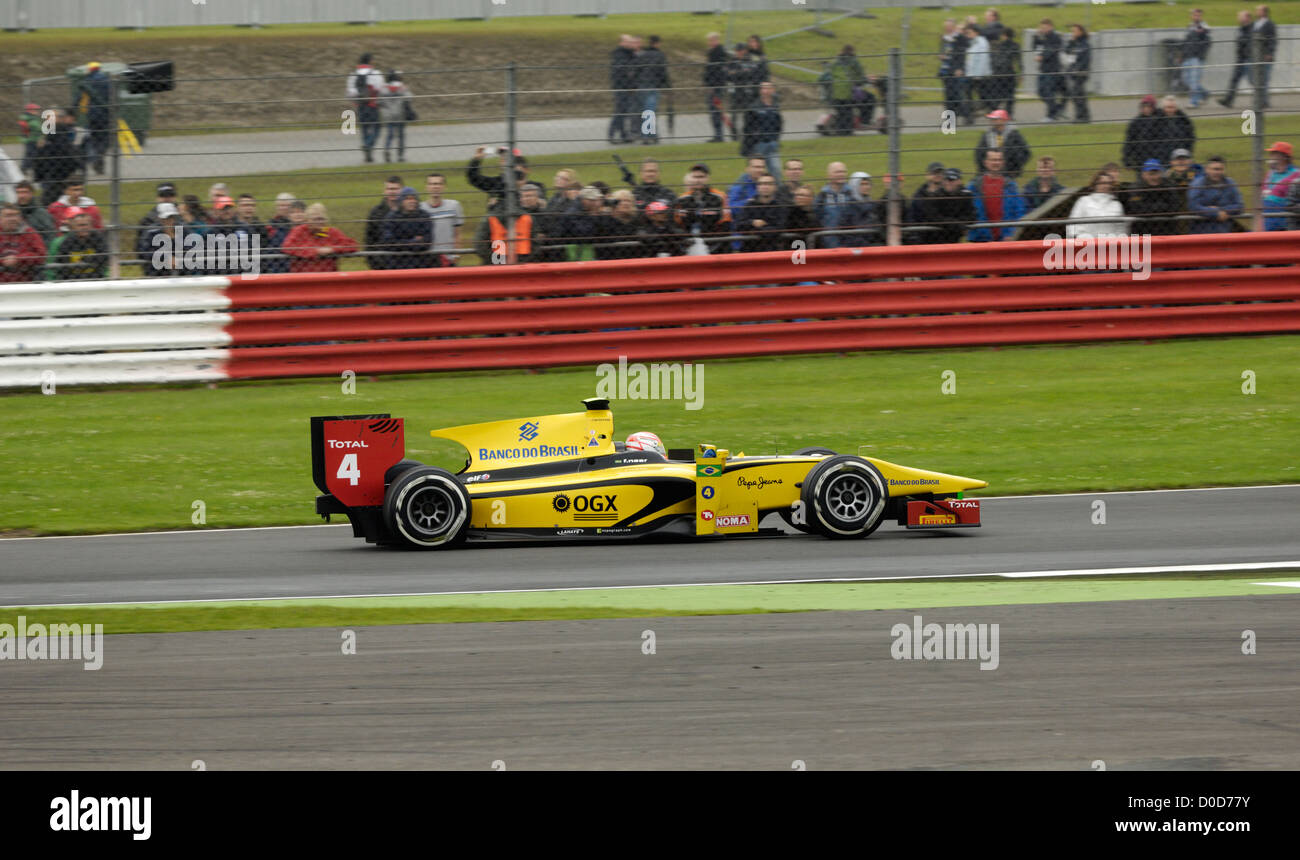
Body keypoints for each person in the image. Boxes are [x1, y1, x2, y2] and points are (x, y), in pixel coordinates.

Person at [966, 150, 1026, 242]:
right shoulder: (974, 186)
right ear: (985, 162)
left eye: (999, 160)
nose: (996, 163)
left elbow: (1018, 211)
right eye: (993, 160)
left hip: (1005, 240)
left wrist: (1011, 233)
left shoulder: (1011, 186)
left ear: (1003, 162)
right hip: (980, 239)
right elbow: (967, 212)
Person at [475, 183, 542, 264]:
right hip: (522, 260)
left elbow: (480, 244)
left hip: (497, 260)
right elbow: (536, 243)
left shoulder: (490, 217)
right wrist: (524, 261)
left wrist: (494, 261)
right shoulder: (527, 217)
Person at [281, 203, 358, 272]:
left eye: (322, 219)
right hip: (303, 276)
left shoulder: (329, 231)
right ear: (308, 221)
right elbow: (287, 247)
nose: (320, 222)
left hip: (327, 276)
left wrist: (332, 249)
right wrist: (315, 251)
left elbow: (352, 245)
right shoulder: (299, 231)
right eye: (316, 219)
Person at [674, 164, 731, 254]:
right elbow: (677, 224)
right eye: (695, 177)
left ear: (708, 178)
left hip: (714, 243)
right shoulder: (682, 199)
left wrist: (713, 246)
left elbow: (726, 224)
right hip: (688, 243)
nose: (698, 180)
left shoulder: (720, 197)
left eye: (701, 177)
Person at [1122, 159, 1184, 236]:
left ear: (1161, 173)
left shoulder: (1168, 185)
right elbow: (1137, 210)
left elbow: (1176, 207)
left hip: (1166, 231)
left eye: (1157, 173)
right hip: (1142, 231)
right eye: (1151, 174)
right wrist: (1162, 207)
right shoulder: (1136, 188)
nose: (1155, 177)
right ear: (1143, 175)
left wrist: (1150, 209)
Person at [32, 110, 82, 207]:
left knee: (49, 202)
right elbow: (73, 157)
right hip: (62, 175)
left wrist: (38, 176)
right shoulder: (63, 133)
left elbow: (38, 158)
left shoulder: (49, 136)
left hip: (50, 176)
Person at [381, 186, 436, 269]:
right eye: (407, 199)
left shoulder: (424, 216)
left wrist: (401, 243)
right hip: (397, 264)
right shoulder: (392, 217)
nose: (411, 201)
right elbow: (388, 243)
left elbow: (428, 241)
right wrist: (413, 241)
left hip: (421, 264)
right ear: (401, 201)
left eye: (414, 198)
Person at [1187, 155, 1243, 233]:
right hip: (1201, 232)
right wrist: (1215, 214)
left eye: (1220, 169)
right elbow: (1193, 206)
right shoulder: (1197, 184)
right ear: (1206, 170)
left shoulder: (1230, 183)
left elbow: (1239, 206)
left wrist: (1220, 210)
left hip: (1224, 230)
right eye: (1214, 169)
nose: (1217, 172)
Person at [346, 53, 385, 163]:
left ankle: (367, 153)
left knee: (364, 129)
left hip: (360, 106)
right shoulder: (376, 73)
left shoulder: (353, 75)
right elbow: (380, 89)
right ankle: (369, 145)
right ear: (370, 61)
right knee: (377, 128)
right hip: (373, 105)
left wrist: (355, 102)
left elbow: (350, 92)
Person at [1066, 169, 1126, 239]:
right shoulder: (1083, 201)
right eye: (1102, 183)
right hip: (1086, 244)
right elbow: (1072, 223)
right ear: (1095, 184)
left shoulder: (1116, 205)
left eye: (1108, 183)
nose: (1106, 186)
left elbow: (1121, 228)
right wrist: (1080, 238)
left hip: (1110, 245)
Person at [49, 208, 107, 280]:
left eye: (86, 225)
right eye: (80, 225)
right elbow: (60, 264)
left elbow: (105, 256)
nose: (84, 228)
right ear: (74, 227)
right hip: (73, 280)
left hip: (95, 279)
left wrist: (85, 260)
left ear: (91, 226)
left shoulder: (97, 238)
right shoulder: (67, 241)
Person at [735, 174, 788, 253]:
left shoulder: (780, 207)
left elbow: (780, 228)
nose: (765, 187)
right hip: (749, 252)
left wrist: (754, 230)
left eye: (769, 184)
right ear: (757, 187)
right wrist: (752, 222)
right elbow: (738, 226)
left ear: (775, 187)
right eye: (762, 184)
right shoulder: (749, 205)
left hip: (773, 252)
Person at [76, 61, 111, 175]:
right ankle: (99, 157)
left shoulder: (87, 81)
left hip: (92, 115)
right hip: (105, 114)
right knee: (104, 138)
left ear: (90, 69)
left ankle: (95, 157)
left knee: (93, 138)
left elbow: (79, 97)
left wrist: (73, 108)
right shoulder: (107, 80)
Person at [729, 43, 767, 148]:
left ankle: (747, 133)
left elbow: (750, 73)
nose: (738, 53)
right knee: (734, 115)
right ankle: (734, 134)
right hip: (735, 92)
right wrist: (740, 73)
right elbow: (728, 74)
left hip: (746, 92)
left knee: (748, 114)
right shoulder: (732, 60)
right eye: (736, 51)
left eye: (739, 51)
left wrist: (737, 73)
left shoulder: (748, 60)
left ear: (743, 51)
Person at [422, 173, 464, 265]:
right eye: (432, 184)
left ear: (444, 187)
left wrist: (456, 255)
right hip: (427, 260)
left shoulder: (454, 206)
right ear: (426, 187)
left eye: (438, 184)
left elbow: (457, 234)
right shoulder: (421, 209)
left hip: (448, 259)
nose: (435, 187)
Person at [974, 109, 1029, 179]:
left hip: (1009, 171)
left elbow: (1024, 153)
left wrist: (1016, 167)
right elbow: (979, 153)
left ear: (1003, 120)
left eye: (995, 119)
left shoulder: (1014, 135)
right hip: (988, 170)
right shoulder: (987, 135)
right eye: (992, 119)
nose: (992, 121)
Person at [744, 82, 783, 180]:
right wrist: (754, 138)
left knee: (776, 169)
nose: (765, 91)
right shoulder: (754, 107)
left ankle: (777, 191)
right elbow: (748, 127)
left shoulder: (775, 106)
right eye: (763, 88)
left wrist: (776, 138)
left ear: (772, 90)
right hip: (759, 144)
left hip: (772, 144)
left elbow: (779, 123)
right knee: (756, 172)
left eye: (768, 88)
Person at [635, 35, 670, 145]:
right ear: (657, 43)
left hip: (641, 85)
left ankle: (652, 134)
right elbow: (662, 72)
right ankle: (647, 135)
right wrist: (667, 86)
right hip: (653, 86)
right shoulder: (660, 55)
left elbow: (636, 70)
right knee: (650, 111)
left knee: (647, 111)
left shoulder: (643, 54)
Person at [0, 202, 46, 282]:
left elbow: (41, 255)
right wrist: (3, 261)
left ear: (20, 218)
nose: (12, 219)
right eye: (8, 216)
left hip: (25, 281)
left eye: (15, 215)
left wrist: (18, 259)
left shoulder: (29, 232)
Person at [813, 161, 856, 248]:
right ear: (829, 175)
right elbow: (817, 216)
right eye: (838, 172)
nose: (842, 174)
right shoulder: (822, 196)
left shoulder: (852, 194)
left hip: (850, 243)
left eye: (843, 171)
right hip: (828, 244)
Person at [1218, 11, 1255, 108]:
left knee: (1254, 81)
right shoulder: (1241, 28)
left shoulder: (1252, 28)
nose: (1238, 18)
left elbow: (1249, 43)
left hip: (1248, 59)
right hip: (1240, 59)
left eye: (1240, 16)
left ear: (1247, 18)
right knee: (1234, 80)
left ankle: (1261, 100)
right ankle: (1228, 101)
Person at [1260, 141, 1299, 231]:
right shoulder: (1270, 173)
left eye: (1274, 153)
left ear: (1284, 157)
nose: (1270, 156)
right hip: (1267, 220)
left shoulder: (1297, 174)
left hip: (1285, 223)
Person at [365, 176, 402, 269]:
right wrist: (376, 263)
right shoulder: (376, 213)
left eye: (396, 189)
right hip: (382, 263)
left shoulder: (408, 210)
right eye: (389, 189)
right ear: (384, 191)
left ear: (402, 191)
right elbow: (369, 242)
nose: (392, 192)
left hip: (405, 263)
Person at [1032, 19, 1066, 122]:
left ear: (1051, 26)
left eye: (1045, 27)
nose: (1043, 29)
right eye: (1041, 28)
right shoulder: (1043, 37)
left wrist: (1042, 57)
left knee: (1048, 92)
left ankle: (1051, 116)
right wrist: (1036, 37)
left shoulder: (1055, 37)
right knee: (1040, 91)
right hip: (1043, 69)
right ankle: (1056, 109)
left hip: (1052, 69)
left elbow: (1053, 50)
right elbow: (1034, 47)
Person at [827, 45, 865, 136]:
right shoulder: (854, 62)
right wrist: (862, 82)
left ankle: (840, 130)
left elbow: (830, 75)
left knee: (841, 112)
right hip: (848, 91)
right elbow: (860, 76)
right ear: (852, 52)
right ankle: (849, 130)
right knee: (867, 100)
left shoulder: (835, 62)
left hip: (834, 92)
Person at [595, 189, 643, 259]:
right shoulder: (605, 222)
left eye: (628, 201)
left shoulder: (638, 222)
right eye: (621, 201)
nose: (625, 203)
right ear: (613, 204)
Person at [1122, 95, 1164, 175]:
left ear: (1153, 108)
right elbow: (1128, 142)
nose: (1146, 109)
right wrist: (1126, 159)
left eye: (1149, 107)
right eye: (1144, 107)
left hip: (1158, 157)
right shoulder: (1135, 123)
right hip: (1141, 159)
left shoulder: (1161, 120)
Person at [933, 168, 977, 244]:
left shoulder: (966, 195)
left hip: (956, 239)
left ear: (959, 181)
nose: (948, 182)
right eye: (946, 179)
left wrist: (955, 224)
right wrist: (958, 225)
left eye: (952, 180)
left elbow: (972, 216)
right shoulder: (936, 196)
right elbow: (934, 218)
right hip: (936, 240)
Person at [938, 19, 969, 124]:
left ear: (953, 26)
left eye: (949, 26)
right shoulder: (944, 38)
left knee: (956, 96)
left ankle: (966, 115)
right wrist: (941, 55)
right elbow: (942, 50)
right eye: (946, 26)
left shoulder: (960, 38)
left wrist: (960, 68)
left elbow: (962, 54)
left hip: (955, 71)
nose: (947, 28)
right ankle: (950, 120)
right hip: (945, 71)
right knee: (948, 97)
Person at [377, 70, 412, 163]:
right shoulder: (402, 88)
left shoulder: (383, 88)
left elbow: (379, 102)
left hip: (388, 115)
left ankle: (387, 150)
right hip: (400, 114)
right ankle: (400, 155)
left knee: (390, 134)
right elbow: (409, 98)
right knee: (401, 136)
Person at [140, 202, 182, 277]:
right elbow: (145, 252)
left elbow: (189, 248)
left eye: (171, 217)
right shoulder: (151, 232)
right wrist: (166, 258)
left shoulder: (181, 230)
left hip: (180, 272)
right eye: (166, 218)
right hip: (157, 273)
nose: (169, 220)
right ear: (160, 218)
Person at [960, 24, 991, 124]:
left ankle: (995, 112)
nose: (968, 35)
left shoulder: (982, 42)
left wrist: (978, 75)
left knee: (984, 96)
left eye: (970, 32)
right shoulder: (972, 42)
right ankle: (969, 118)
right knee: (967, 95)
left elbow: (982, 60)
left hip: (979, 76)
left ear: (976, 32)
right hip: (971, 75)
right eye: (967, 33)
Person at [1181, 9, 1212, 109]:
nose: (1196, 17)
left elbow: (1208, 42)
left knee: (1194, 81)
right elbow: (1186, 41)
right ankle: (1204, 93)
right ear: (1191, 16)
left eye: (1198, 15)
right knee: (1186, 80)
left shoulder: (1204, 27)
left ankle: (1194, 102)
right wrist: (1182, 54)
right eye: (1194, 15)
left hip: (1196, 58)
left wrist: (1200, 54)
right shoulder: (1190, 26)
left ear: (1201, 16)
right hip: (1187, 57)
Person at [989, 26, 1021, 118]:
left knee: (997, 96)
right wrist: (1020, 74)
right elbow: (1018, 61)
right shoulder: (1015, 46)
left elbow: (995, 60)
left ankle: (996, 113)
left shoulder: (999, 46)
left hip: (999, 74)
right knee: (1010, 96)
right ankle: (1009, 114)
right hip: (1010, 74)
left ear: (1004, 35)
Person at [1061, 24, 1091, 123]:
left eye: (1074, 31)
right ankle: (1084, 116)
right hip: (1073, 72)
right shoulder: (1075, 43)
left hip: (1081, 73)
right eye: (1072, 31)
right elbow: (1066, 51)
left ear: (1080, 32)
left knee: (1077, 95)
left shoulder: (1085, 44)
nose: (1072, 33)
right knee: (1078, 95)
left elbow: (1085, 59)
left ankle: (1082, 117)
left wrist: (1078, 69)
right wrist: (1071, 41)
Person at [14, 180, 55, 249]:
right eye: (19, 192)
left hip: (37, 252)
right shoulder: (12, 212)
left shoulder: (42, 213)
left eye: (25, 192)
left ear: (32, 193)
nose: (22, 196)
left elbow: (50, 236)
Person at [704, 33, 730, 143]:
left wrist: (712, 85)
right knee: (715, 110)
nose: (709, 43)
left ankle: (719, 135)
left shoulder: (718, 53)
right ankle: (718, 134)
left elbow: (715, 71)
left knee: (715, 110)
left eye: (710, 40)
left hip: (716, 87)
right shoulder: (715, 53)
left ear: (715, 40)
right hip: (715, 86)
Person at [1249, 5, 1276, 108]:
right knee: (1256, 79)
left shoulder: (1270, 24)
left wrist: (1270, 53)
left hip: (1265, 56)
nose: (1256, 12)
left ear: (1264, 12)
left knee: (1264, 79)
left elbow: (1273, 40)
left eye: (1258, 10)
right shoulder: (1255, 23)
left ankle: (1264, 101)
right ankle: (1260, 99)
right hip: (1256, 56)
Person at [846, 171, 883, 247]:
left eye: (868, 184)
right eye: (862, 184)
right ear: (854, 186)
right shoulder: (849, 206)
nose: (867, 187)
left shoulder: (873, 204)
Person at [1155, 95, 1196, 164]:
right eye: (1167, 107)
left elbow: (1190, 138)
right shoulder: (1157, 121)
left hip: (1181, 156)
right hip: (1162, 156)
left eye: (1172, 107)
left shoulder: (1184, 121)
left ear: (1176, 108)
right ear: (1163, 108)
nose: (1170, 110)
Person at [264, 192, 296, 274]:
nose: (283, 208)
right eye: (280, 205)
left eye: (286, 205)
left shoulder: (300, 224)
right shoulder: (270, 226)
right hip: (276, 267)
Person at [785, 185, 822, 249]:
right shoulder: (791, 213)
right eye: (797, 195)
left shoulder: (815, 214)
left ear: (811, 198)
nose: (799, 197)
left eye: (802, 195)